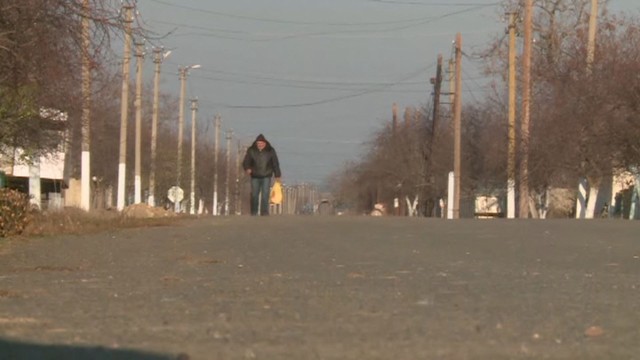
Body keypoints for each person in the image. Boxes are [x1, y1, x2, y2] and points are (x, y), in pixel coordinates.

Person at [242, 134, 281, 216]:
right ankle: (254, 212)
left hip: (266, 175)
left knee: (265, 194)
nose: (260, 145)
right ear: (256, 143)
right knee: (254, 195)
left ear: (265, 143)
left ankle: (264, 211)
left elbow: (275, 163)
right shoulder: (251, 150)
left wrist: (277, 175)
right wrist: (247, 168)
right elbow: (246, 161)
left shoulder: (270, 150)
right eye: (258, 143)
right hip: (255, 176)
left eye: (261, 143)